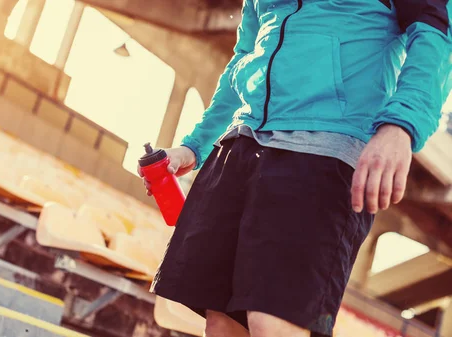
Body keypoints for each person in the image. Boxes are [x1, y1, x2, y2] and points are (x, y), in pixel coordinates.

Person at [138, 1, 452, 336]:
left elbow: (436, 31)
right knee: (221, 324)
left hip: (324, 152)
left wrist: (401, 126)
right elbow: (246, 54)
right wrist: (194, 145)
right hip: (242, 144)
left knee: (272, 323)